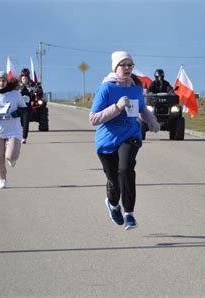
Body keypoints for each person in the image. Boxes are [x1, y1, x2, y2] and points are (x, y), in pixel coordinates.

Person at [89, 51, 161, 230]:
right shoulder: (106, 88)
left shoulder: (136, 89)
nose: (128, 68)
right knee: (114, 181)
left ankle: (129, 213)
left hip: (130, 136)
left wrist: (151, 120)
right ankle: (113, 204)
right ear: (115, 67)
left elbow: (142, 109)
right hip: (107, 141)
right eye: (124, 65)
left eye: (130, 65)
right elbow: (93, 119)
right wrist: (117, 107)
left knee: (126, 169)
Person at [0, 71, 27, 189]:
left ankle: (12, 159)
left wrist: (16, 113)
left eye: (3, 80)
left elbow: (24, 109)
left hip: (13, 131)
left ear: (7, 82)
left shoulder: (15, 95)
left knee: (11, 156)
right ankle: (2, 179)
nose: (1, 83)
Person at [18, 68, 42, 144]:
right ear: (21, 78)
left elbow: (38, 91)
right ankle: (19, 135)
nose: (24, 79)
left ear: (28, 78)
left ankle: (24, 138)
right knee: (20, 123)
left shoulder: (32, 85)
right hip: (19, 108)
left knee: (26, 123)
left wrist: (35, 92)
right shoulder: (17, 86)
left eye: (26, 78)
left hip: (27, 108)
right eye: (23, 78)